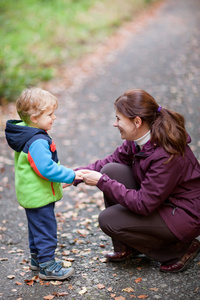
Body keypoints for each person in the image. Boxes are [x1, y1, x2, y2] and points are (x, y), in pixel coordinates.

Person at [70, 89, 200, 273]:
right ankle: (127, 245)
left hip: (184, 213)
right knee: (111, 169)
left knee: (108, 220)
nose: (115, 124)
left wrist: (102, 182)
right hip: (162, 200)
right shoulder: (137, 139)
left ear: (137, 122)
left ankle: (180, 250)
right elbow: (109, 162)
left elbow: (143, 204)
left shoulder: (166, 154)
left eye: (118, 119)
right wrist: (71, 176)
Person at [5, 87, 83, 280]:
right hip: (39, 196)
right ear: (34, 118)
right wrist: (70, 175)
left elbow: (37, 169)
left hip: (32, 193)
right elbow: (46, 169)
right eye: (50, 114)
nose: (54, 118)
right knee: (46, 230)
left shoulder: (26, 134)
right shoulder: (37, 141)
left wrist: (58, 183)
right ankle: (48, 266)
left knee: (36, 228)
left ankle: (37, 259)